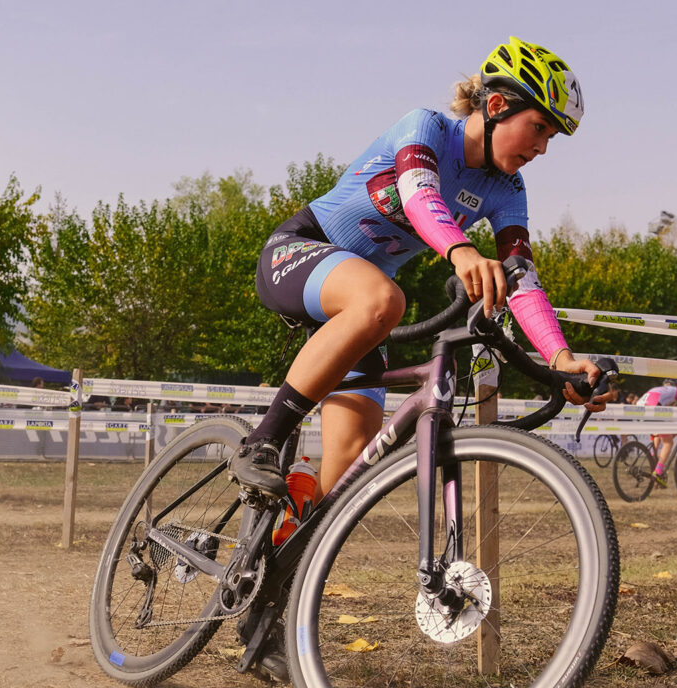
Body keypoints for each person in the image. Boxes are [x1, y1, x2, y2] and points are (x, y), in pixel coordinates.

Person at [228, 36, 609, 499]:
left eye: (551, 137)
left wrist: (561, 359)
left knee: (347, 475)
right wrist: (462, 250)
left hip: (361, 306)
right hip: (300, 252)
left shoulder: (509, 188)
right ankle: (262, 441)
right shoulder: (426, 127)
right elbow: (419, 195)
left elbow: (521, 278)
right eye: (539, 128)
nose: (544, 148)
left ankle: (280, 553)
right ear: (495, 105)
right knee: (384, 299)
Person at [637, 378, 677, 488]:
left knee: (659, 435)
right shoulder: (676, 391)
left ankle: (653, 463)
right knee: (668, 442)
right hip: (654, 408)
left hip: (639, 408)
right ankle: (658, 472)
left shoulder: (661, 390)